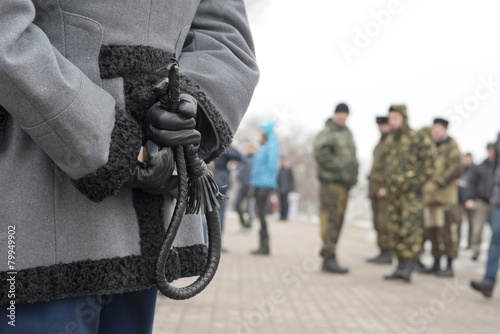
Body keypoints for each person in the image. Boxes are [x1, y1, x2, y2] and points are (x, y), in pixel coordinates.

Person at [0, 1, 259, 333]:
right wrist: (110, 142)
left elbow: (226, 39)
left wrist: (190, 113)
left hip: (149, 218)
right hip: (38, 197)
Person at [382, 105, 435, 282]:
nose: (393, 122)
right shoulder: (390, 140)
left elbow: (430, 162)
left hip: (410, 195)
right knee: (395, 229)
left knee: (410, 230)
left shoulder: (416, 137)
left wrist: (416, 182)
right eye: (390, 119)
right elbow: (387, 166)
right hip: (394, 195)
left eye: (396, 118)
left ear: (404, 118)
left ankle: (408, 267)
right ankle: (399, 265)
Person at [313, 103, 359, 274]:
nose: (342, 117)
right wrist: (341, 167)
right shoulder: (328, 132)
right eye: (339, 114)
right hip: (332, 184)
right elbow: (320, 153)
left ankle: (331, 255)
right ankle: (328, 258)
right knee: (331, 220)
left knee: (337, 221)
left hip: (343, 186)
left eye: (345, 114)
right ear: (334, 114)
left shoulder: (347, 133)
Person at [420, 118, 463, 277]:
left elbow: (456, 168)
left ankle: (449, 266)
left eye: (438, 129)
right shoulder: (431, 148)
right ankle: (436, 263)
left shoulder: (451, 147)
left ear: (445, 130)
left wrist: (438, 182)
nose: (435, 132)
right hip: (430, 199)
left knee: (448, 232)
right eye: (433, 129)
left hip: (446, 199)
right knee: (432, 232)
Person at [471, 132, 500, 298]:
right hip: (497, 199)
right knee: (495, 240)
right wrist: (491, 193)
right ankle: (488, 282)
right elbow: (495, 167)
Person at [249, 120, 280, 255]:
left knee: (262, 214)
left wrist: (267, 185)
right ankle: (262, 244)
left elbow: (271, 167)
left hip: (264, 186)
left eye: (261, 130)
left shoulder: (271, 145)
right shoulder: (265, 145)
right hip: (258, 184)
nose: (259, 132)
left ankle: (265, 245)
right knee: (259, 214)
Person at [367, 116, 392, 264]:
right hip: (375, 189)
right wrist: (371, 189)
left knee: (384, 222)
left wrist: (386, 187)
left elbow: (391, 168)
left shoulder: (390, 143)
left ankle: (387, 252)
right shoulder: (379, 144)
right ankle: (382, 251)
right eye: (379, 126)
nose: (381, 128)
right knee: (377, 222)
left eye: (383, 125)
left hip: (384, 190)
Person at [464, 143, 496, 260]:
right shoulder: (480, 167)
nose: (491, 153)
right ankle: (475, 251)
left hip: (495, 203)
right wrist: (469, 198)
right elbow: (471, 184)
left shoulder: (496, 167)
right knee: (477, 229)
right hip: (481, 202)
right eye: (490, 150)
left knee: (496, 230)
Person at [213, 146, 242, 233]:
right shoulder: (223, 147)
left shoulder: (213, 146)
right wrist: (228, 145)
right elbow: (239, 156)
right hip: (222, 180)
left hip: (216, 178)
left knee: (216, 208)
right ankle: (218, 235)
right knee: (221, 209)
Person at [234, 143, 257, 230]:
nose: (249, 150)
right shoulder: (242, 158)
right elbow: (238, 169)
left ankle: (249, 225)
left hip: (251, 186)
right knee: (237, 204)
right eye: (248, 148)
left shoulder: (256, 159)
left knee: (249, 207)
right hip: (242, 185)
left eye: (251, 148)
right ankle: (243, 223)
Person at [457, 153, 476, 249]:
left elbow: (475, 186)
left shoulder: (475, 170)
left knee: (472, 224)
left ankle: (470, 244)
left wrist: (472, 199)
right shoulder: (459, 170)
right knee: (458, 223)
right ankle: (457, 243)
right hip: (459, 201)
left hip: (470, 200)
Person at [277, 156, 295, 221]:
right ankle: (281, 215)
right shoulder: (279, 170)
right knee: (281, 203)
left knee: (285, 203)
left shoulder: (288, 170)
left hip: (286, 189)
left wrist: (290, 187)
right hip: (280, 189)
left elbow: (291, 180)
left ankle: (285, 216)